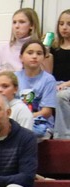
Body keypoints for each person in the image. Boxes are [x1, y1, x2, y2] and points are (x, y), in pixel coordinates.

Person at [16, 39, 58, 139]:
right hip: (19, 122)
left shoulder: (48, 80)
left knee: (28, 135)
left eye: (39, 53)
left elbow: (46, 112)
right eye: (30, 53)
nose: (34, 56)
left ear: (43, 57)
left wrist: (26, 118)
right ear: (21, 57)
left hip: (41, 125)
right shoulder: (14, 78)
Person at [0, 7, 42, 74]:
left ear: (31, 25)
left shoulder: (40, 50)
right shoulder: (3, 49)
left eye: (21, 22)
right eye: (14, 22)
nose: (17, 26)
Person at [51, 10, 70, 139]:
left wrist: (65, 84)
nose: (64, 27)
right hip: (56, 83)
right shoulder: (54, 47)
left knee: (61, 95)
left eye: (69, 24)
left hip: (67, 85)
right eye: (61, 23)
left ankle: (63, 135)